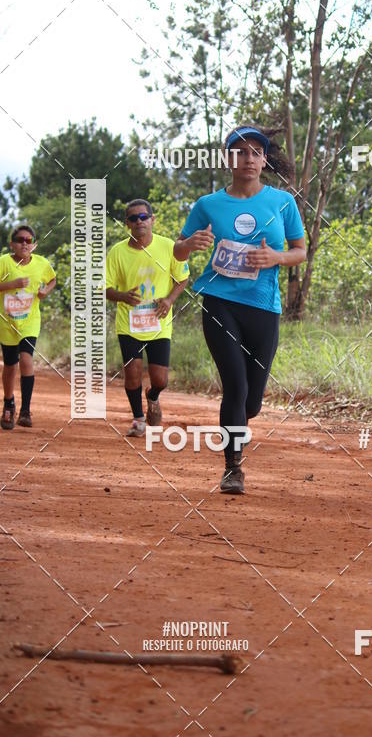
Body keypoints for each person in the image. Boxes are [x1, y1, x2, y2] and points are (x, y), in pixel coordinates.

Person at [174, 125, 306, 495]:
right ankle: (233, 468)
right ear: (228, 159)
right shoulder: (208, 205)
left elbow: (300, 251)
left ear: (264, 160)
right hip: (219, 303)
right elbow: (178, 250)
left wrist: (276, 257)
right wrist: (190, 244)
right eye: (240, 152)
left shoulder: (282, 202)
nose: (249, 158)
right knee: (235, 385)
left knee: (251, 401)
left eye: (256, 152)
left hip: (263, 307)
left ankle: (238, 422)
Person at [106, 199, 190, 437]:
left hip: (159, 323)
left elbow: (182, 278)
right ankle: (138, 419)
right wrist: (122, 296)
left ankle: (153, 396)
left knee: (160, 380)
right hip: (129, 324)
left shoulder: (169, 247)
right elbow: (104, 288)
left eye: (143, 217)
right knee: (132, 373)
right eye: (133, 218)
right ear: (127, 223)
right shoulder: (117, 252)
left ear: (152, 219)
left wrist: (169, 300)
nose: (139, 222)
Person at [0, 224, 56, 429]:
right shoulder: (3, 262)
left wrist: (45, 291)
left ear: (34, 245)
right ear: (12, 244)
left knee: (26, 358)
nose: (24, 244)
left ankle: (25, 410)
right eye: (20, 240)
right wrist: (11, 285)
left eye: (28, 240)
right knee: (10, 365)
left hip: (30, 322)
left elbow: (52, 279)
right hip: (7, 323)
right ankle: (8, 403)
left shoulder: (41, 263)